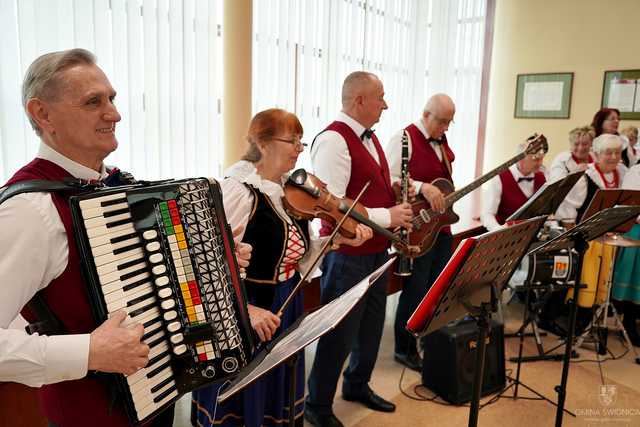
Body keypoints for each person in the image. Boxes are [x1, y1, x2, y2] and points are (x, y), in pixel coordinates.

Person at [0, 49, 175, 426]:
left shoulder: (113, 184)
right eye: (93, 102)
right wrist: (89, 351)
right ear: (43, 114)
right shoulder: (30, 210)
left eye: (111, 99)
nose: (114, 114)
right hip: (90, 412)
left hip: (155, 394)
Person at [192, 108, 372, 427]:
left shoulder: (291, 191)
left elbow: (295, 253)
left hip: (287, 301)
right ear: (262, 144)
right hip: (248, 307)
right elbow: (210, 263)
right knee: (246, 391)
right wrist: (243, 308)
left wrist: (338, 243)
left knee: (279, 388)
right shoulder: (239, 190)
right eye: (292, 140)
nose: (300, 149)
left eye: (301, 141)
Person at [305, 71, 413, 427]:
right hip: (347, 255)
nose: (386, 103)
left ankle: (356, 386)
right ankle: (317, 405)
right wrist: (389, 214)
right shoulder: (334, 140)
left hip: (377, 250)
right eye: (381, 96)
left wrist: (398, 191)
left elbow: (369, 185)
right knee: (339, 334)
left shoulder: (370, 138)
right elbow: (332, 203)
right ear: (360, 100)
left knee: (369, 329)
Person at [385, 93, 456, 371]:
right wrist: (423, 185)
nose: (446, 128)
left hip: (441, 225)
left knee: (436, 288)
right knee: (415, 289)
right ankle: (404, 348)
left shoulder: (441, 140)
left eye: (450, 123)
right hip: (417, 228)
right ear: (426, 114)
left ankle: (428, 340)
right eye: (442, 122)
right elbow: (388, 178)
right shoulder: (403, 139)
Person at [556, 134, 627, 319]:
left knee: (604, 279)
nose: (613, 157)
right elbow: (568, 207)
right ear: (596, 154)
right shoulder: (585, 175)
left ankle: (594, 319)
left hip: (609, 237)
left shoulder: (623, 172)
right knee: (585, 279)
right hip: (586, 238)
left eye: (617, 153)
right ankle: (576, 319)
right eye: (608, 153)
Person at [481, 140, 547, 231]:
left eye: (541, 159)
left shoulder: (542, 176)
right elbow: (487, 214)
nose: (540, 163)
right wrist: (498, 230)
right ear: (520, 159)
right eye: (536, 159)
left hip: (533, 234)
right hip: (507, 236)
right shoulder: (499, 178)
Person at [611, 163, 640, 347]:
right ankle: (628, 322)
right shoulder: (636, 172)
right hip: (637, 229)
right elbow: (631, 204)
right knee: (633, 279)